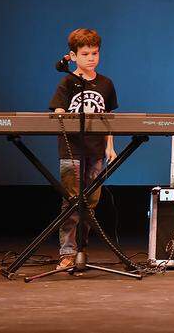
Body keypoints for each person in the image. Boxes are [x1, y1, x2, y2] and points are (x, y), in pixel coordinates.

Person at [49, 28, 118, 271]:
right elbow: (58, 112)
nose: (91, 58)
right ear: (73, 56)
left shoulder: (106, 84)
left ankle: (81, 249)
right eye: (86, 53)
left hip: (97, 150)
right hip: (71, 151)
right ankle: (66, 253)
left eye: (95, 53)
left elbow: (109, 118)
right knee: (71, 202)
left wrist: (110, 146)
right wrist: (69, 115)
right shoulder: (67, 82)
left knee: (90, 202)